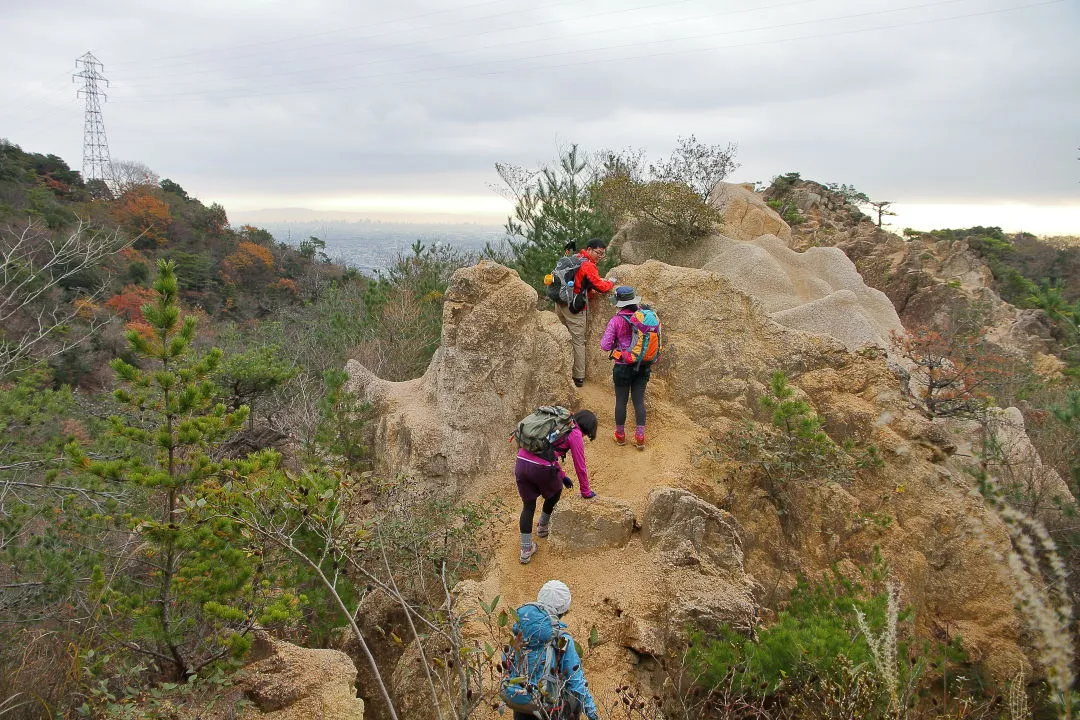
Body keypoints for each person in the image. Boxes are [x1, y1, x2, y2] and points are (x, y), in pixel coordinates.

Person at [505, 580, 600, 720]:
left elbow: (506, 661)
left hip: (522, 704)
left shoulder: (521, 631)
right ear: (564, 609)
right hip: (551, 709)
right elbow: (575, 681)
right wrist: (592, 714)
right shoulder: (562, 639)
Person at [516, 410, 598, 564]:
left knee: (528, 507)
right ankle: (543, 527)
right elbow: (580, 466)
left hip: (521, 461)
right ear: (588, 429)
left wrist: (561, 475)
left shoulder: (558, 425)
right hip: (541, 467)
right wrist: (585, 492)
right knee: (555, 492)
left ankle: (526, 550)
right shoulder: (575, 434)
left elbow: (549, 452)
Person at [600, 286, 655, 450]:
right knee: (639, 401)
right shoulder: (645, 318)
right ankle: (639, 437)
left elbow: (605, 345)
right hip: (642, 365)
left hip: (623, 366)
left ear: (619, 303)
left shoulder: (616, 321)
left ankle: (620, 435)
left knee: (621, 402)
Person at [556, 239, 616, 388]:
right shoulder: (588, 265)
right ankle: (578, 377)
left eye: (602, 255)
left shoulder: (575, 257)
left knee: (562, 337)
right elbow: (602, 287)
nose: (600, 257)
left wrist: (588, 289)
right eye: (598, 253)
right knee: (578, 341)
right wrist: (611, 282)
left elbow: (578, 280)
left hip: (560, 302)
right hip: (575, 307)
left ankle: (560, 370)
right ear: (589, 249)